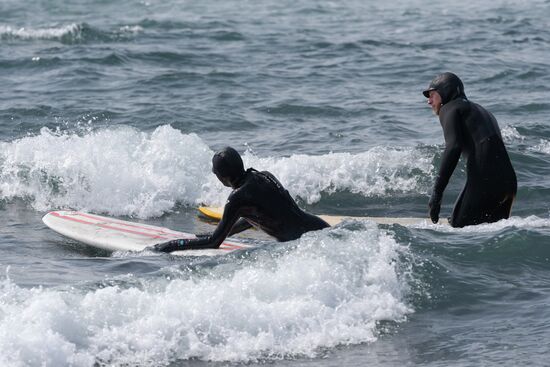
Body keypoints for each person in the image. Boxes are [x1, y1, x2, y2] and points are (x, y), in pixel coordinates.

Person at [153, 146, 330, 252]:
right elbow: (260, 217)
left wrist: (170, 245)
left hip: (303, 245)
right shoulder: (264, 176)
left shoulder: (237, 198)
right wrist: (225, 230)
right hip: (319, 229)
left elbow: (213, 243)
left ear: (222, 177)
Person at [423, 72, 517, 227]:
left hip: (485, 181)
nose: (429, 101)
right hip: (508, 183)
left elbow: (453, 147)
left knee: (458, 230)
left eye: (432, 95)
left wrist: (437, 194)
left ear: (445, 93)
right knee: (493, 232)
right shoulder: (484, 112)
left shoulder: (449, 108)